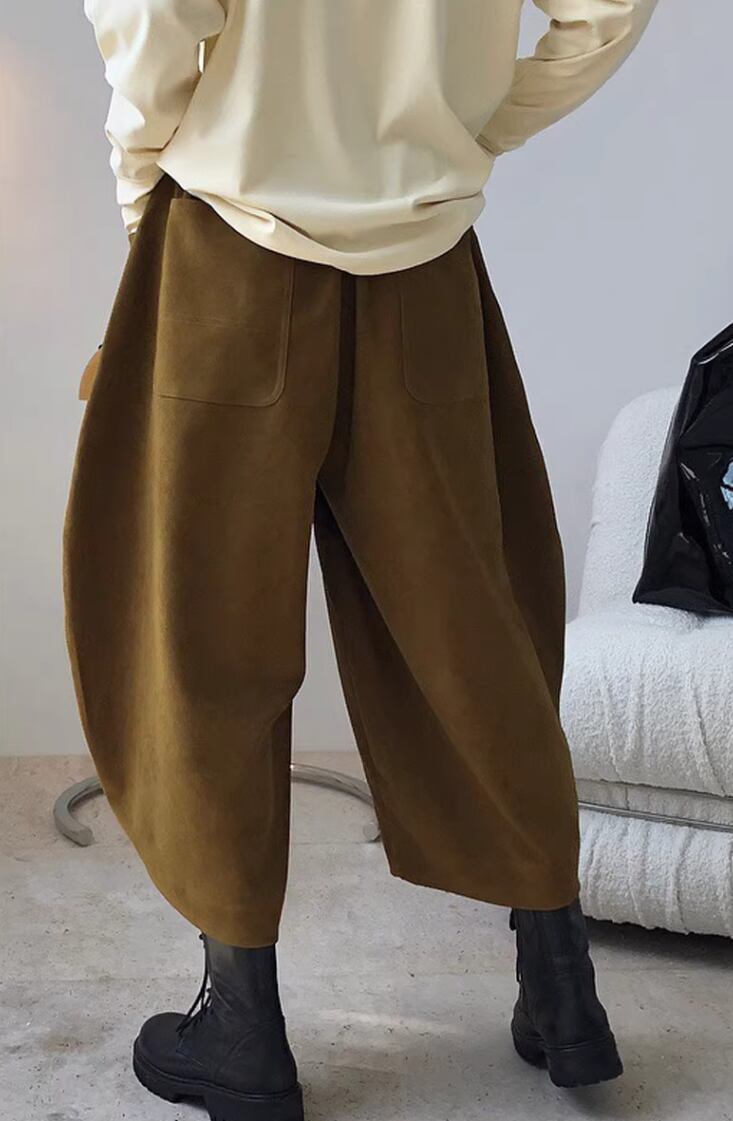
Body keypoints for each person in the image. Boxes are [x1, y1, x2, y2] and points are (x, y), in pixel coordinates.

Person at [66, 2, 658, 1118]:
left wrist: (144, 183)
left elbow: (155, 13)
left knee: (204, 637)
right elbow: (611, 8)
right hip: (422, 257)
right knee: (472, 625)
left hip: (226, 241)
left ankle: (242, 1025)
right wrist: (463, 129)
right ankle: (563, 990)